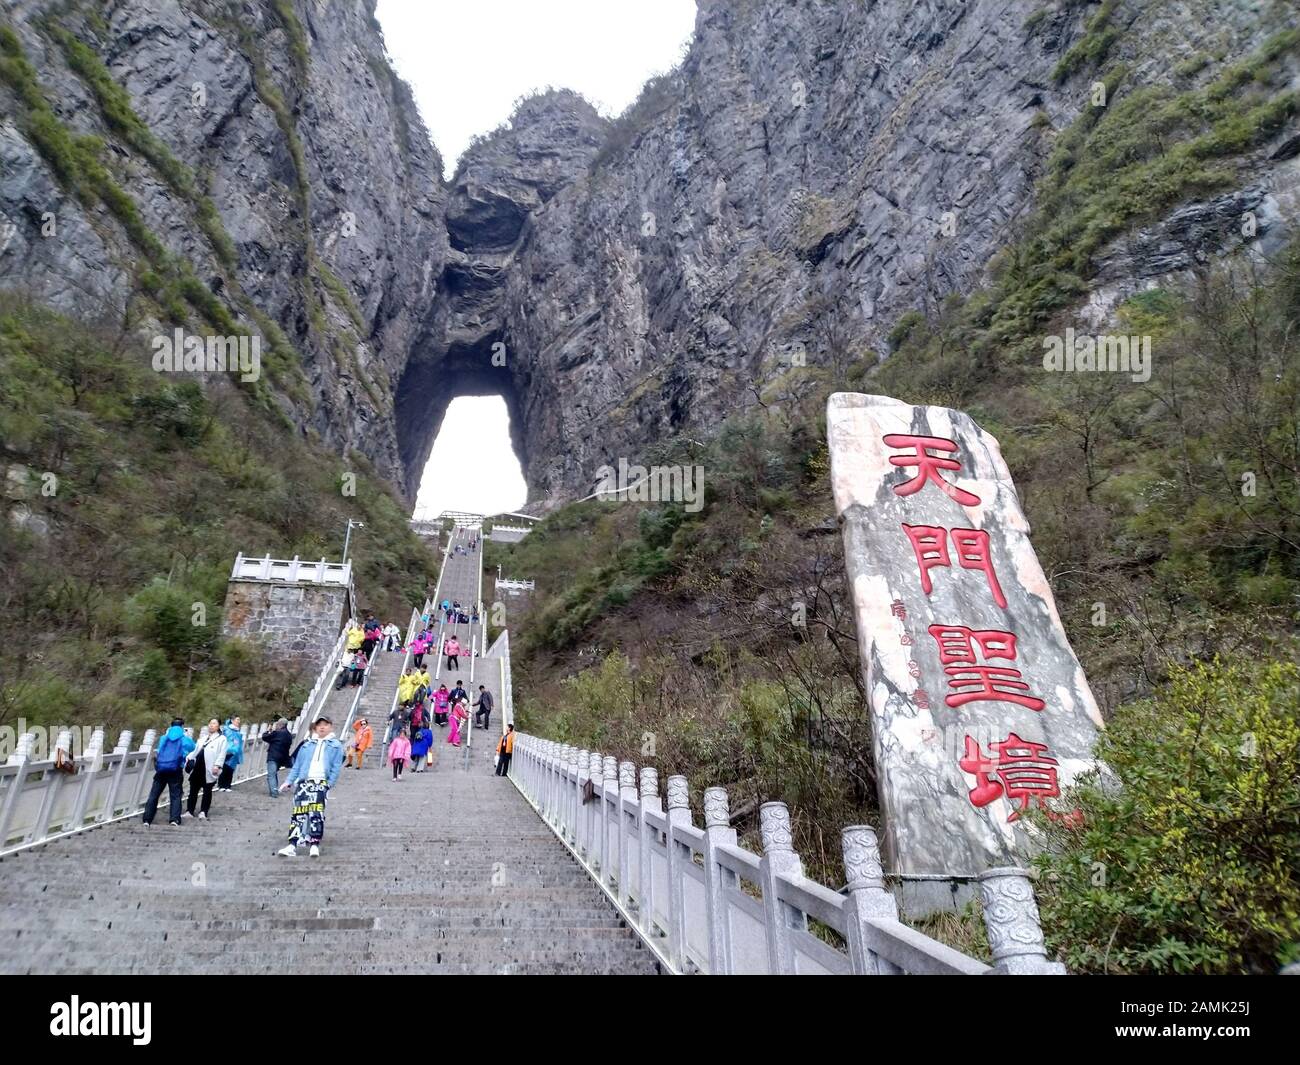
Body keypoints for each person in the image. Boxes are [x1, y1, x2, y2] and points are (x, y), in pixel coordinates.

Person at [276, 716, 343, 858]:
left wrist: (328, 784)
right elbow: (297, 766)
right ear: (315, 727)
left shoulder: (336, 746)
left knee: (316, 814)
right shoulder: (307, 745)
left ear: (330, 726)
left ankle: (314, 844)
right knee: (298, 814)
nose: (322, 727)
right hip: (304, 782)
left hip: (320, 783)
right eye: (319, 725)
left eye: (325, 724)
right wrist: (289, 781)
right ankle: (292, 844)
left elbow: (336, 768)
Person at [142, 718, 195, 826]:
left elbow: (160, 750)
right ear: (182, 727)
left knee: (154, 794)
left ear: (170, 726)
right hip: (175, 769)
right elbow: (193, 747)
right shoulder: (184, 739)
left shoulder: (164, 738)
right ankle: (174, 819)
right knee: (175, 795)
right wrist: (186, 736)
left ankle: (147, 819)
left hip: (161, 769)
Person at [184, 718, 228, 820]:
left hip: (210, 767)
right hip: (198, 766)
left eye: (214, 723)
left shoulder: (222, 739)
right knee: (193, 790)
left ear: (218, 726)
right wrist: (189, 758)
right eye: (210, 723)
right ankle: (189, 810)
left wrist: (217, 765)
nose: (211, 725)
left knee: (207, 790)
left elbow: (222, 753)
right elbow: (196, 750)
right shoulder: (203, 738)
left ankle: (204, 811)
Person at [261, 718, 293, 796]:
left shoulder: (277, 733)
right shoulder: (289, 735)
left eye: (277, 724)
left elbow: (265, 737)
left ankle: (274, 792)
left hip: (273, 756)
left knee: (271, 774)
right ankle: (275, 788)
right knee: (274, 773)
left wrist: (268, 731)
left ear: (281, 725)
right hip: (283, 757)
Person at [218, 716, 244, 791]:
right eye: (237, 719)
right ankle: (221, 785)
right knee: (225, 768)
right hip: (228, 751)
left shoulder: (237, 731)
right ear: (232, 721)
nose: (239, 721)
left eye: (239, 719)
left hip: (235, 752)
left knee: (231, 769)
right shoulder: (227, 729)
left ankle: (227, 785)